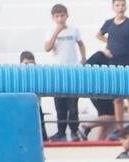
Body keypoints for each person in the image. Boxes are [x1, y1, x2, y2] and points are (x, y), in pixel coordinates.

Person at [97, 0, 129, 136]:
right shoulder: (109, 23)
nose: (120, 8)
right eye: (117, 5)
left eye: (122, 5)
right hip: (114, 63)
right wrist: (110, 42)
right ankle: (119, 127)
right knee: (117, 98)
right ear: (113, 7)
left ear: (125, 6)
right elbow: (99, 34)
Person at [44, 3, 86, 142]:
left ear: (67, 16)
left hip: (72, 71)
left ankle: (74, 131)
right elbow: (47, 48)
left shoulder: (74, 30)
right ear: (53, 18)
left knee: (73, 104)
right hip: (58, 72)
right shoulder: (51, 31)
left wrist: (83, 58)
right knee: (60, 104)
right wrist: (56, 32)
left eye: (62, 15)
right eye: (57, 16)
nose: (60, 19)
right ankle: (61, 132)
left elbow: (81, 44)